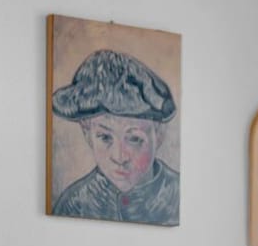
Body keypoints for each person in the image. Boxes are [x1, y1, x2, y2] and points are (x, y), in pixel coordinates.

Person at [51, 48, 179, 225]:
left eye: (135, 139)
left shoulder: (180, 194)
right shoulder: (74, 203)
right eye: (104, 137)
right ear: (87, 134)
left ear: (158, 134)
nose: (119, 157)